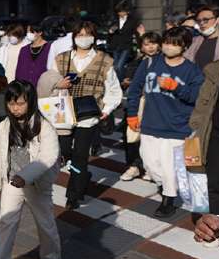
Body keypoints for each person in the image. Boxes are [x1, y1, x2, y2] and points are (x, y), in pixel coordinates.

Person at [0, 80, 61, 259]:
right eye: (11, 103)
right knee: (6, 221)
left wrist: (25, 176)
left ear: (31, 102)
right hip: (11, 181)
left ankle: (51, 257)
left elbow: (48, 157)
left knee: (45, 222)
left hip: (36, 183)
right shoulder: (4, 126)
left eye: (20, 103)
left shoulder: (44, 126)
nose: (15, 108)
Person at [126, 26, 204, 218]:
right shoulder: (150, 63)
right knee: (150, 164)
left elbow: (195, 97)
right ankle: (170, 184)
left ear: (184, 46)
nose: (168, 47)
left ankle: (168, 200)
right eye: (167, 43)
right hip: (150, 124)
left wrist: (176, 87)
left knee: (169, 166)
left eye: (174, 44)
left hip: (177, 126)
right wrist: (132, 114)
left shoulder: (192, 70)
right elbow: (135, 89)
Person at [50, 21, 121, 209]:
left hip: (88, 116)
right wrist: (58, 85)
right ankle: (82, 175)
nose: (83, 38)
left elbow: (114, 89)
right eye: (79, 34)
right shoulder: (61, 58)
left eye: (87, 34)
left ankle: (73, 194)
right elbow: (49, 81)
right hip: (64, 114)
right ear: (73, 36)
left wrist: (106, 109)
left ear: (94, 37)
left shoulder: (104, 60)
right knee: (64, 152)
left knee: (80, 156)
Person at [188, 26, 219, 215]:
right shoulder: (215, 70)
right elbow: (203, 102)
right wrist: (195, 127)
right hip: (218, 135)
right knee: (216, 182)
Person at [120, 32, 162, 181]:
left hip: (155, 103)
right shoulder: (139, 60)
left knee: (152, 138)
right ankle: (134, 166)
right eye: (146, 44)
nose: (150, 47)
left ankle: (150, 167)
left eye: (153, 43)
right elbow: (134, 85)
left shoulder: (162, 60)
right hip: (138, 102)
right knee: (132, 136)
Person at [108, 0, 142, 78]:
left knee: (120, 66)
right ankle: (120, 81)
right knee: (116, 66)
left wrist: (139, 47)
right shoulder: (115, 20)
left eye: (122, 11)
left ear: (126, 11)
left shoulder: (132, 20)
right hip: (115, 45)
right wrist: (110, 32)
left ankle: (121, 81)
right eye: (119, 11)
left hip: (126, 46)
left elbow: (136, 34)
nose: (120, 13)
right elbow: (110, 32)